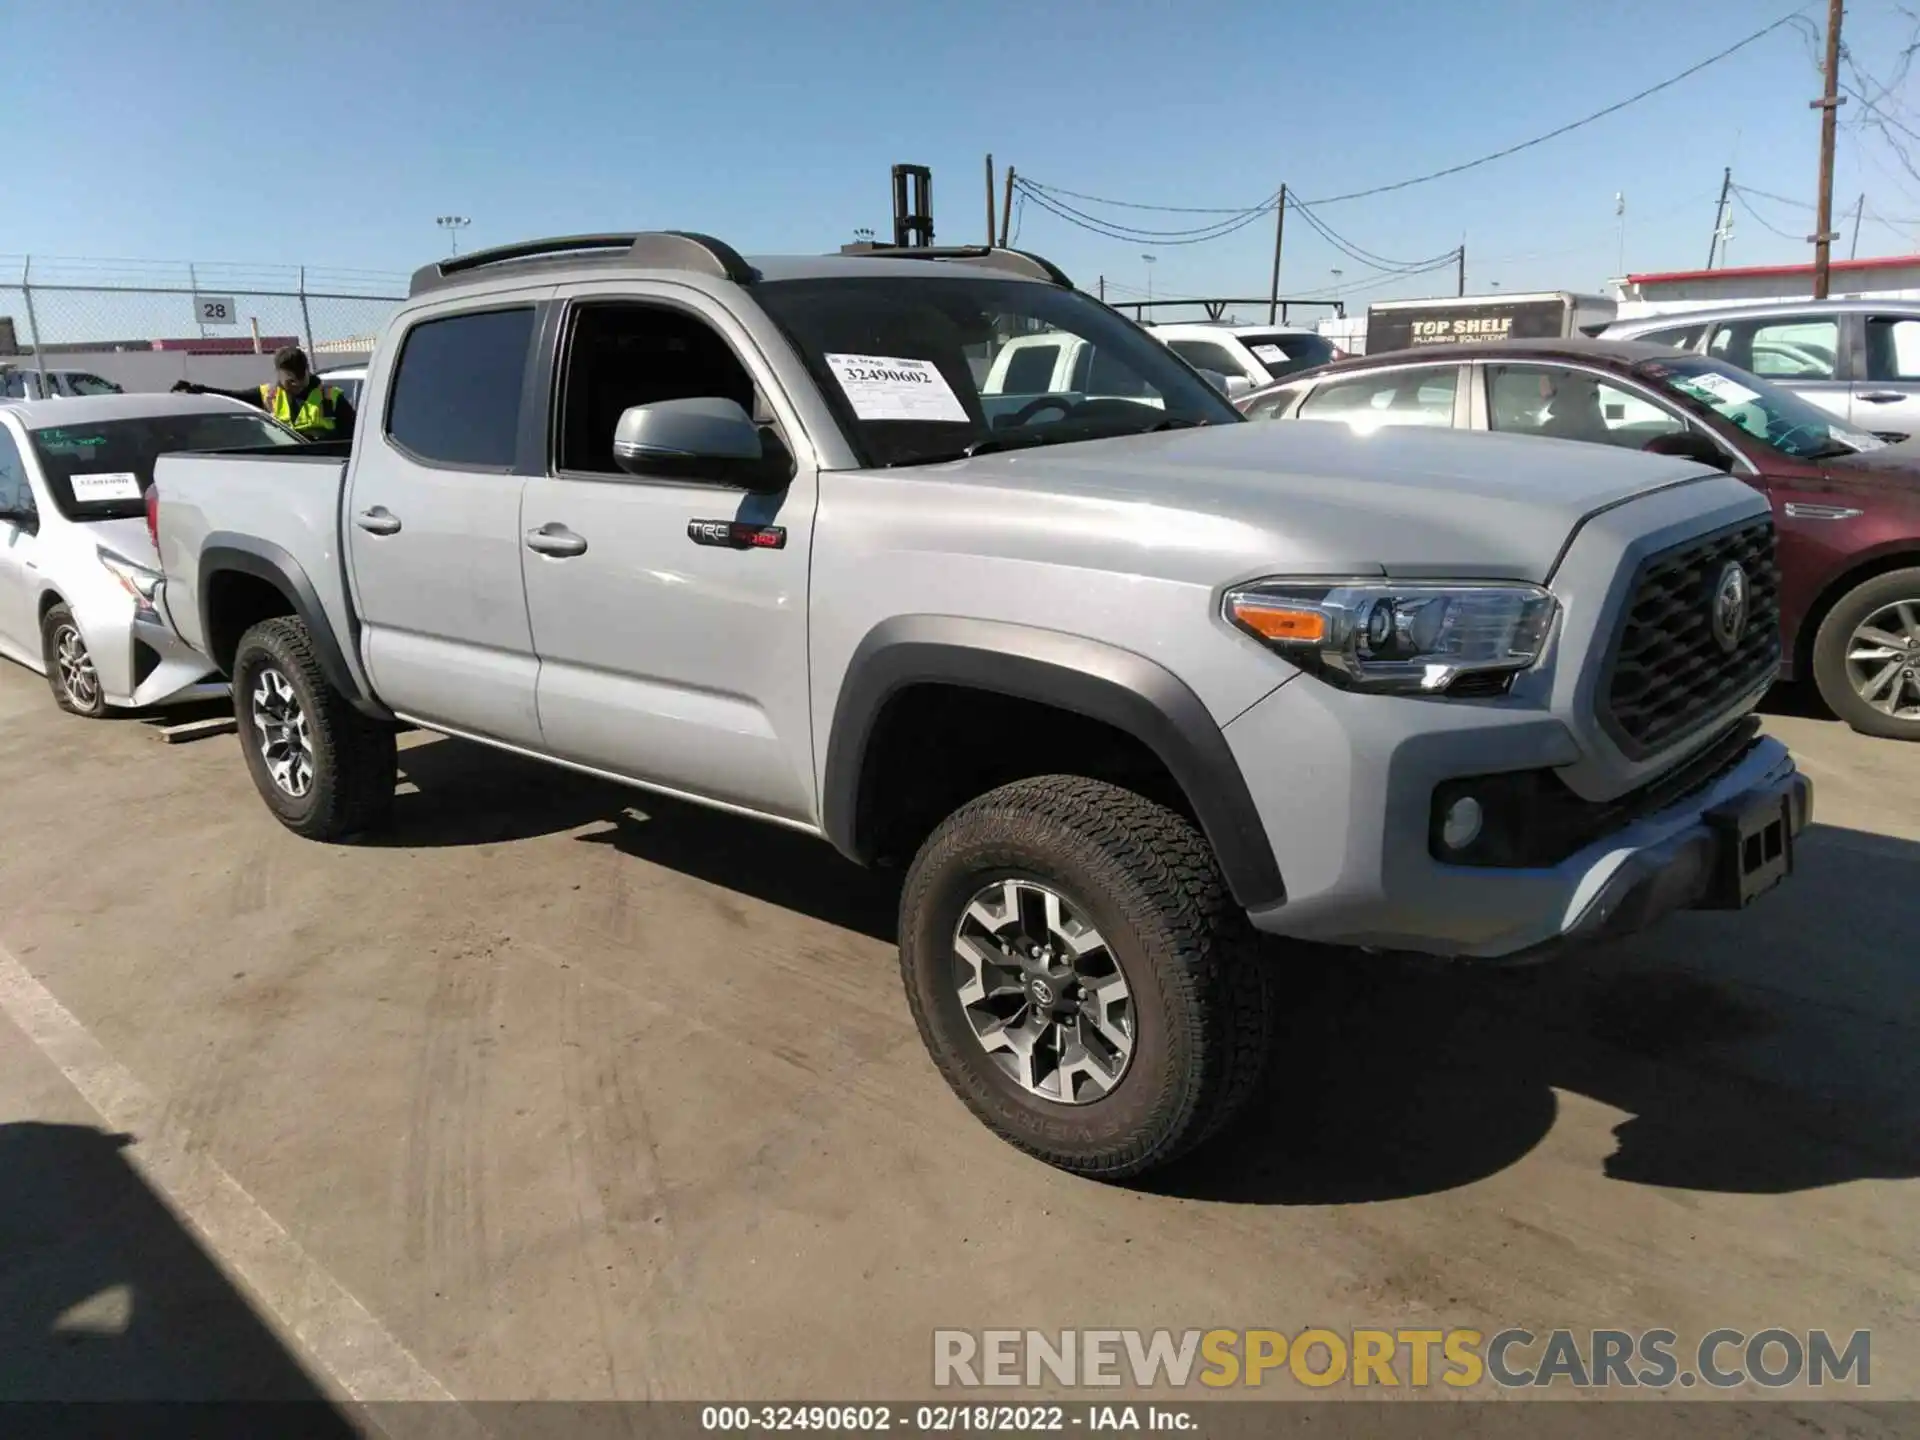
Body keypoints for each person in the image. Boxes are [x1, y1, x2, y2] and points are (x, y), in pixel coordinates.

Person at [172, 346, 355, 440]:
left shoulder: (331, 397)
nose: (297, 384)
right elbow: (234, 397)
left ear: (308, 370)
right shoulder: (269, 395)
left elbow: (354, 438)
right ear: (278, 374)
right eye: (290, 381)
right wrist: (199, 389)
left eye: (302, 379)